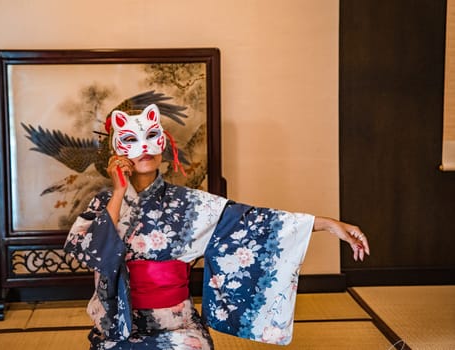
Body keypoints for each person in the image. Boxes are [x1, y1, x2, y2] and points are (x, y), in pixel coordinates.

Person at [64, 104, 370, 350]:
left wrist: (328, 225)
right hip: (117, 325)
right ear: (116, 149)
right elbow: (91, 253)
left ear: (163, 144)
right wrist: (118, 192)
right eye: (131, 139)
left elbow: (255, 222)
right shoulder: (104, 203)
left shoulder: (193, 203)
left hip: (177, 327)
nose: (143, 147)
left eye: (150, 136)